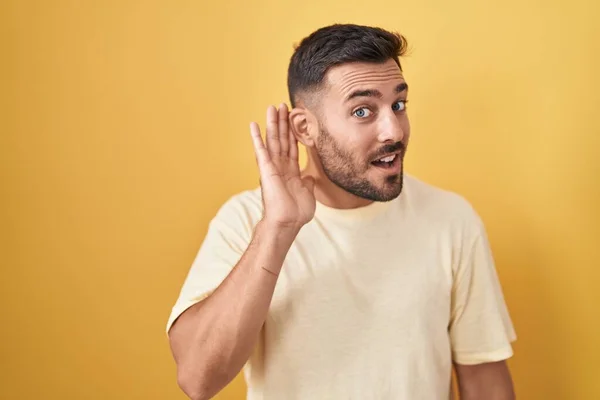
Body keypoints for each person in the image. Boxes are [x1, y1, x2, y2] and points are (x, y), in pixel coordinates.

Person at [166, 23, 517, 400]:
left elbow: (485, 381)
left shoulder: (451, 219)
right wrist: (278, 228)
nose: (393, 131)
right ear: (305, 128)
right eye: (363, 111)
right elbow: (198, 379)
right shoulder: (246, 220)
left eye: (398, 105)